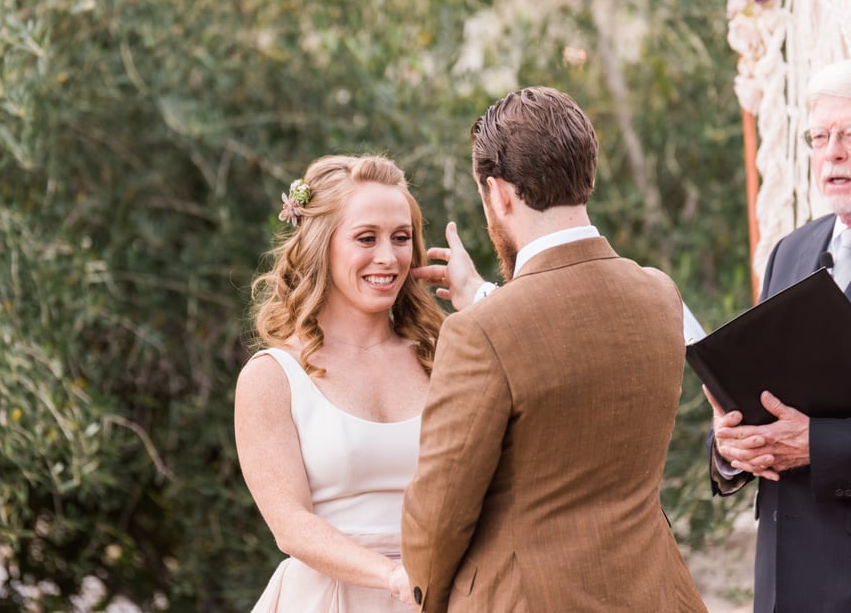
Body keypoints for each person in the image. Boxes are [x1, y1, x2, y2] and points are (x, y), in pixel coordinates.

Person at [400, 86, 707, 612]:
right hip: (655, 593)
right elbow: (568, 333)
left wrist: (423, 597)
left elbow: (441, 511)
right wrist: (480, 295)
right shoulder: (661, 295)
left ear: (499, 193)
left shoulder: (478, 334)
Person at [235, 154, 445, 611]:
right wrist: (393, 577)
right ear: (321, 245)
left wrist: (480, 313)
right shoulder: (273, 377)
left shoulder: (444, 356)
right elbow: (290, 524)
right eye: (366, 238)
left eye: (402, 238)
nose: (388, 258)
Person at [707, 58, 851, 613]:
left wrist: (815, 444)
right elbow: (762, 395)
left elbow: (806, 431)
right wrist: (729, 445)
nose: (832, 152)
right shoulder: (788, 252)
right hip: (779, 582)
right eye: (819, 137)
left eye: (847, 135)